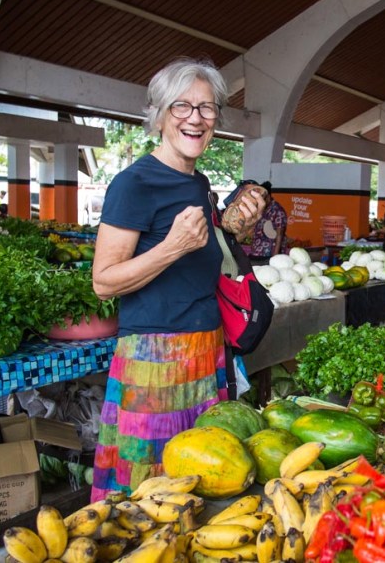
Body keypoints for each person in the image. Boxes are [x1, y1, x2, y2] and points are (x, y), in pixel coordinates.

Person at [90, 58, 265, 501]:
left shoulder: (199, 182)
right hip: (155, 357)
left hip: (206, 351)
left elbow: (205, 258)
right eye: (182, 106)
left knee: (201, 483)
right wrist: (172, 246)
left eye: (207, 109)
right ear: (160, 113)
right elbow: (104, 282)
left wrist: (234, 229)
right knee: (146, 488)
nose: (196, 118)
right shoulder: (134, 184)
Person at [249, 180, 287, 258]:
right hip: (257, 253)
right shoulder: (262, 209)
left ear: (268, 197)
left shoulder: (277, 211)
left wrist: (275, 257)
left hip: (268, 255)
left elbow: (279, 235)